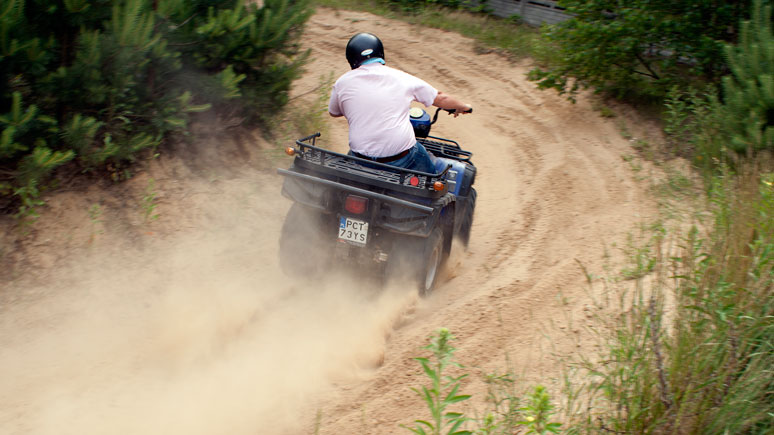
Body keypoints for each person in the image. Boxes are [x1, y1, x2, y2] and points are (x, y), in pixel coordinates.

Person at [328, 32, 472, 174]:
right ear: (380, 53)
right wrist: (463, 106)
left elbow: (333, 112)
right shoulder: (400, 77)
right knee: (435, 174)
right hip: (400, 159)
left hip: (360, 159)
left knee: (347, 164)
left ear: (351, 59)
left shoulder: (342, 83)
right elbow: (441, 98)